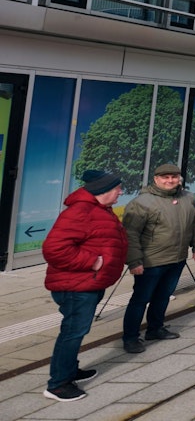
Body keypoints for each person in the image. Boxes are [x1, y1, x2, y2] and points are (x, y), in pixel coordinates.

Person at [41, 170, 127, 402]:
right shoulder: (81, 211)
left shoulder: (99, 210)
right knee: (72, 332)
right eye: (117, 188)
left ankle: (70, 370)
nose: (120, 191)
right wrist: (93, 262)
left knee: (77, 331)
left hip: (87, 284)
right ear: (104, 190)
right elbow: (54, 249)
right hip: (75, 287)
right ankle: (58, 385)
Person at [121, 163, 195, 353]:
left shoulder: (188, 197)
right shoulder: (142, 202)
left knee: (163, 296)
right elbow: (130, 234)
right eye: (165, 177)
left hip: (177, 258)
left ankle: (155, 328)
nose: (170, 181)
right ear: (156, 179)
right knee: (140, 299)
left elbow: (194, 223)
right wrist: (134, 261)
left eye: (174, 177)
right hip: (151, 261)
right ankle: (130, 338)